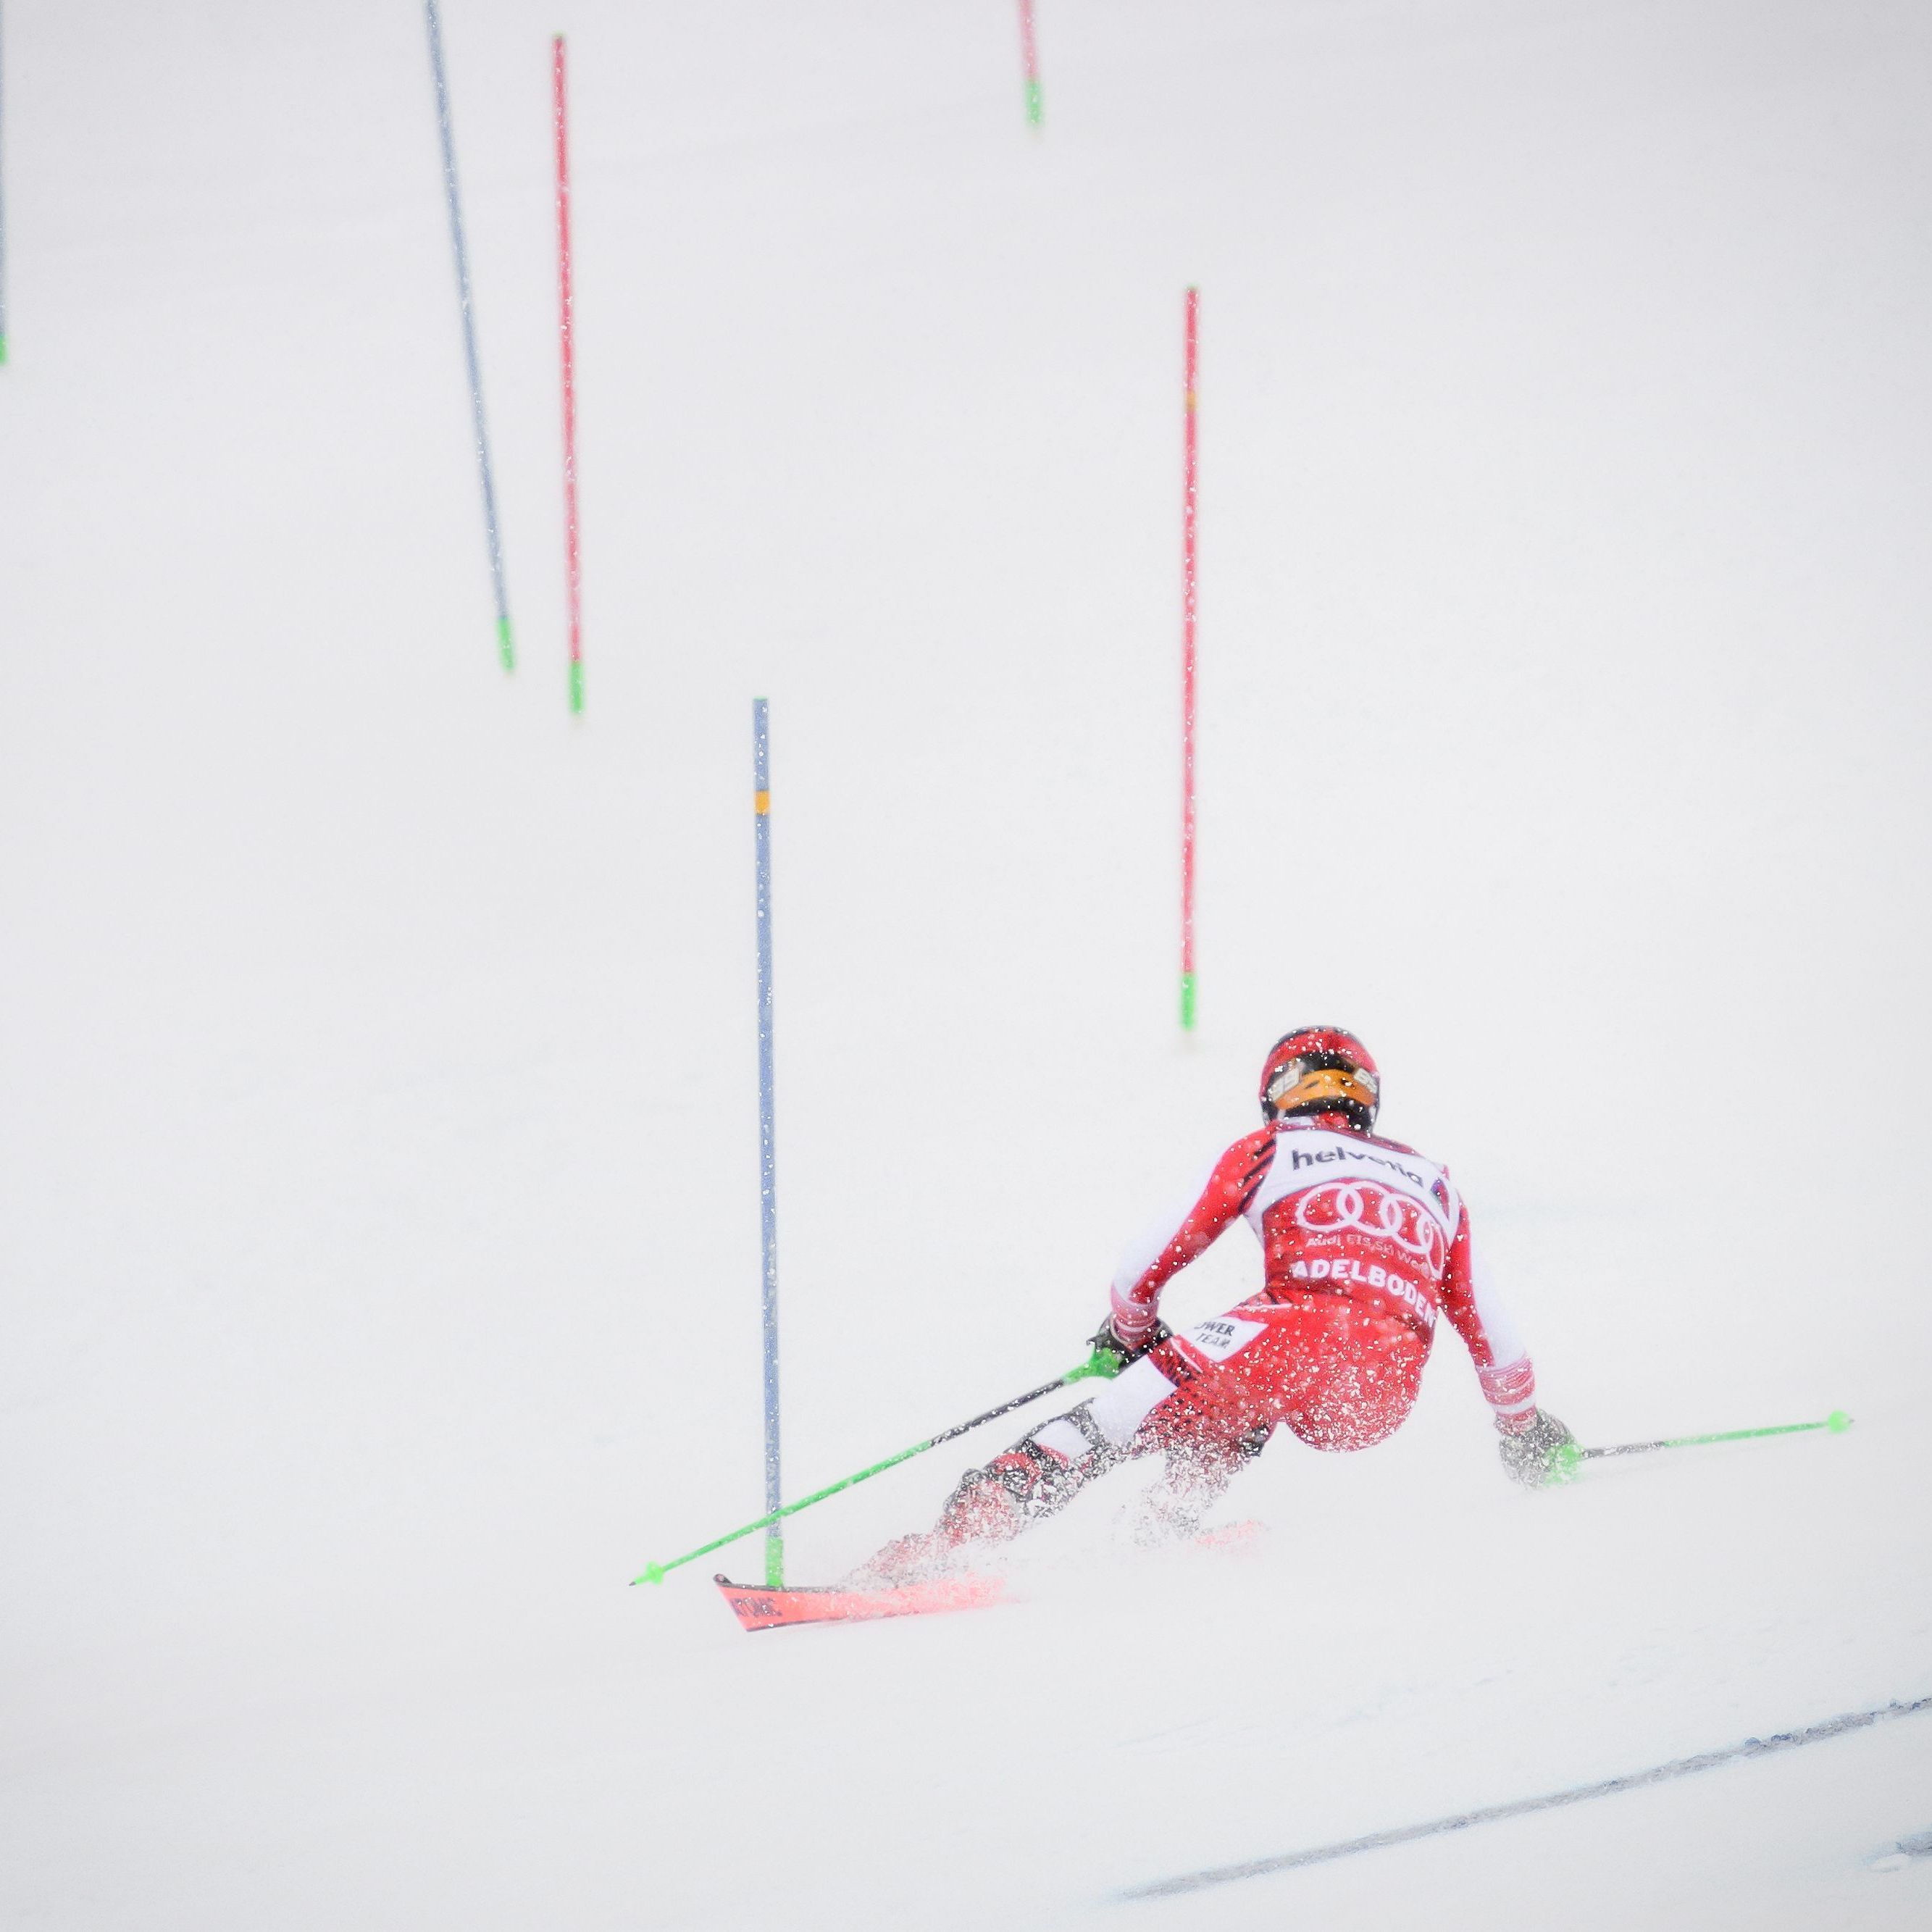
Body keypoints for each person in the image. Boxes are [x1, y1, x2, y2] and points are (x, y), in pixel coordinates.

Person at [851, 1026, 1573, 1586]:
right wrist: (1523, 1431)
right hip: (1381, 1394)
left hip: (1299, 1326)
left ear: (1279, 1093)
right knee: (1240, 1394)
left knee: (1118, 1414)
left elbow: (1145, 1263)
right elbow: (1491, 1330)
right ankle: (1160, 1530)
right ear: (1367, 1097)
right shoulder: (1435, 1182)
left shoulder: (1272, 1148)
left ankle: (954, 1545)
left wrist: (1131, 1334)